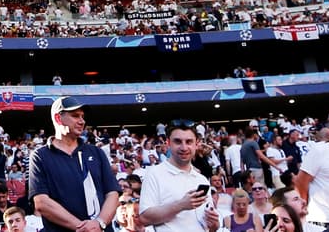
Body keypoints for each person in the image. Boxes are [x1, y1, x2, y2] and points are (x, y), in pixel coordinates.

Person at [29, 95, 121, 232]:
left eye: (82, 116)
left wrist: (99, 223)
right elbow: (42, 202)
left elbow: (112, 194)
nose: (82, 121)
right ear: (58, 118)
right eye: (75, 116)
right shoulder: (40, 156)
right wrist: (84, 228)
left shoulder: (96, 152)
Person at [138, 118, 221, 232]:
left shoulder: (201, 180)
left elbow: (209, 227)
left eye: (189, 142)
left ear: (196, 144)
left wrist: (214, 224)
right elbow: (145, 217)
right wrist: (180, 205)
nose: (184, 148)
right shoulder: (154, 174)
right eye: (178, 141)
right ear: (168, 143)